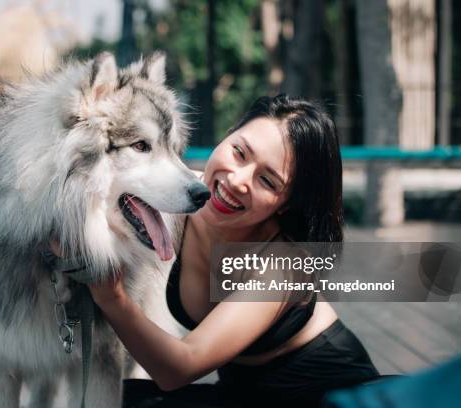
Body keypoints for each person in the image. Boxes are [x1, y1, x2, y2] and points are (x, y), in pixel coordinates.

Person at [58, 94, 380, 407]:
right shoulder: (182, 195)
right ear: (227, 137)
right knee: (116, 397)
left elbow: (180, 368)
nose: (238, 180)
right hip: (243, 393)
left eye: (267, 181)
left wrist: (111, 297)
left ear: (286, 205)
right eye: (240, 152)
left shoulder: (285, 262)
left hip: (331, 395)